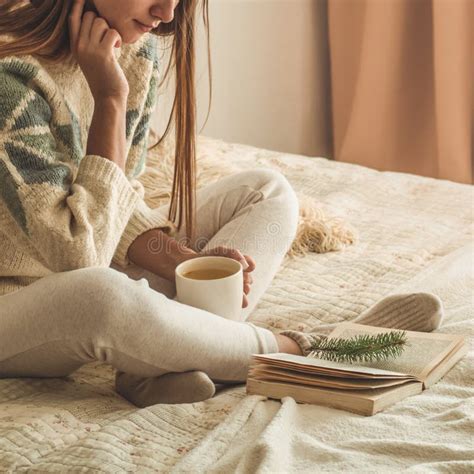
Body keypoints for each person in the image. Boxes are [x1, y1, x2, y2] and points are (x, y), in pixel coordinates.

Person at [0, 0, 443, 408]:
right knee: (100, 296)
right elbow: (80, 255)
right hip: (19, 302)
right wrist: (110, 101)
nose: (168, 12)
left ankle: (156, 364)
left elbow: (113, 202)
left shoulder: (132, 49)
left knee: (265, 192)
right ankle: (308, 348)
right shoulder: (11, 76)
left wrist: (187, 264)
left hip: (79, 259)